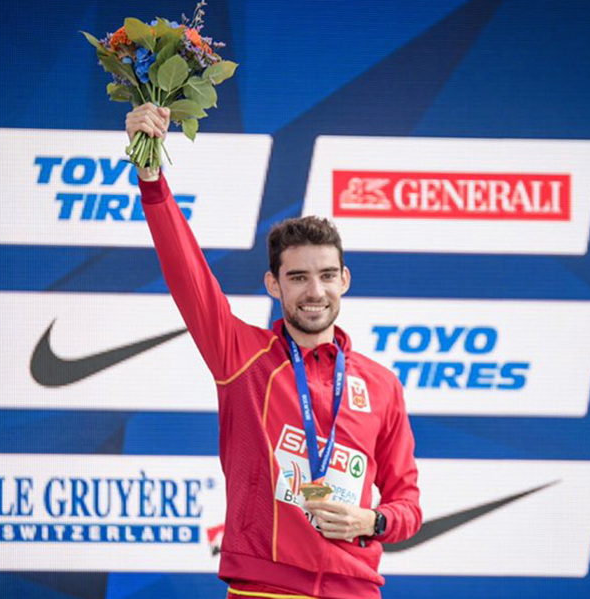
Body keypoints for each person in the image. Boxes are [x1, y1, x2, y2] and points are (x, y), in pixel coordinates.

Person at [127, 103, 421, 599]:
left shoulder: (380, 384)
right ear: (273, 284)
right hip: (266, 587)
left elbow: (407, 504)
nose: (314, 291)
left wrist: (371, 518)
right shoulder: (241, 356)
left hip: (355, 589)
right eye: (298, 277)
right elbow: (187, 273)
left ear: (344, 280)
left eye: (327, 275)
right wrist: (151, 177)